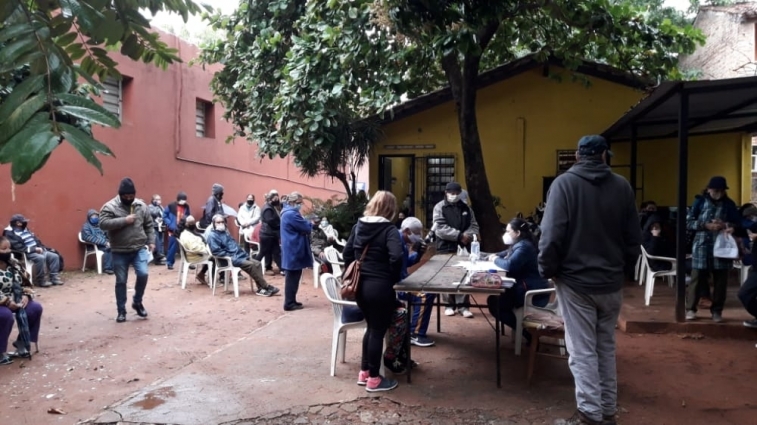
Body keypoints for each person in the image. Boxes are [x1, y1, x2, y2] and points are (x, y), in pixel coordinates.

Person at [538, 135, 640, 425]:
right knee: (605, 348)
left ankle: (590, 416)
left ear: (577, 155)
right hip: (611, 283)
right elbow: (634, 237)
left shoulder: (564, 185)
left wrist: (547, 269)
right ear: (605, 155)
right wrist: (624, 272)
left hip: (576, 283)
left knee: (582, 351)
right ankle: (607, 412)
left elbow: (551, 235)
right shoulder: (622, 186)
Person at [344, 190, 403, 392]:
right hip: (380, 286)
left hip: (360, 287)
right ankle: (375, 380)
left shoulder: (358, 226)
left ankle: (364, 372)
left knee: (371, 328)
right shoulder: (389, 230)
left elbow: (347, 253)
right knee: (377, 331)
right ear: (391, 209)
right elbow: (396, 257)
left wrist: (355, 271)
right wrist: (391, 277)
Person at [99, 177, 155, 323]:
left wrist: (151, 241)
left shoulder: (141, 206)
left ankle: (137, 302)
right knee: (121, 281)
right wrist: (124, 221)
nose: (129, 199)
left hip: (138, 248)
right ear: (121, 195)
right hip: (119, 250)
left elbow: (149, 225)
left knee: (143, 274)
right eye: (126, 196)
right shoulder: (110, 206)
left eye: (132, 196)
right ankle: (121, 311)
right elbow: (103, 223)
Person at [685, 176, 739, 322]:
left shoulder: (729, 204)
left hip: (722, 246)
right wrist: (705, 225)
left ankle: (717, 311)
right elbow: (688, 222)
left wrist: (725, 225)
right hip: (701, 245)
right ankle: (690, 309)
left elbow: (737, 223)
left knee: (721, 280)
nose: (718, 193)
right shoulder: (700, 202)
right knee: (697, 278)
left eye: (721, 191)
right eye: (715, 190)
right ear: (708, 189)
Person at [486, 218, 550, 338]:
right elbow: (506, 253)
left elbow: (510, 265)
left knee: (495, 303)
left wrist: (494, 259)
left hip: (531, 293)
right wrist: (491, 256)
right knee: (496, 299)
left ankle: (526, 333)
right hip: (525, 287)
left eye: (508, 231)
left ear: (517, 233)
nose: (506, 234)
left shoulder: (524, 247)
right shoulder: (520, 244)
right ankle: (523, 330)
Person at [433, 182, 479, 318]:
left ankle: (463, 306)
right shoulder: (439, 207)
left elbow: (474, 226)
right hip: (445, 247)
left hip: (464, 248)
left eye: (457, 193)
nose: (454, 195)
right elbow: (439, 228)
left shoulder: (466, 208)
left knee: (464, 276)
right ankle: (448, 305)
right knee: (446, 276)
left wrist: (467, 236)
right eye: (451, 193)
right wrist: (459, 236)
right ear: (446, 193)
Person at [207, 214, 280, 297]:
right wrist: (231, 256)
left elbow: (234, 245)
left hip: (239, 256)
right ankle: (266, 286)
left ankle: (261, 288)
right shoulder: (212, 236)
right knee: (251, 265)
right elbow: (216, 252)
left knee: (257, 263)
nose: (220, 224)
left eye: (222, 222)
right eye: (218, 222)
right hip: (228, 259)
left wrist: (241, 253)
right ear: (214, 224)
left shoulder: (225, 233)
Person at [0, 236, 43, 365]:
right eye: (4, 249)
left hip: (16, 299)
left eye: (9, 248)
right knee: (5, 316)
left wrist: (25, 295)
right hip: (2, 302)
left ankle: (21, 343)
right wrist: (7, 301)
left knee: (35, 308)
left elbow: (27, 283)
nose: (8, 251)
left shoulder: (14, 264)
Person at [3, 214, 64, 287]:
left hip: (37, 249)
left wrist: (41, 247)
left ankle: (54, 278)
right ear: (17, 223)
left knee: (54, 256)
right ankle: (41, 280)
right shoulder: (9, 233)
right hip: (26, 253)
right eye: (22, 221)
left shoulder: (25, 229)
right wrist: (34, 249)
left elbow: (35, 239)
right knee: (40, 258)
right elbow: (18, 247)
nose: (25, 222)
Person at [280, 192, 312, 311]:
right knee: (292, 277)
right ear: (292, 202)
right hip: (293, 248)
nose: (300, 205)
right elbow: (306, 228)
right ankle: (289, 303)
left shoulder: (288, 213)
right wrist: (309, 223)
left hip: (291, 247)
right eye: (299, 202)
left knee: (294, 276)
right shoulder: (291, 214)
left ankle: (292, 300)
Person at [256, 190, 283, 275]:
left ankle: (283, 269)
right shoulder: (268, 208)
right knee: (263, 252)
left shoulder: (271, 207)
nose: (277, 200)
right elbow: (270, 220)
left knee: (277, 252)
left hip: (272, 234)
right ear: (271, 199)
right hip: (267, 234)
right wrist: (279, 225)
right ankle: (252, 266)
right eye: (275, 198)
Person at [178, 216, 211, 286]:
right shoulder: (186, 235)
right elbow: (194, 248)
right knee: (215, 257)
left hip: (195, 254)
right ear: (186, 224)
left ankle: (202, 274)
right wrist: (207, 249)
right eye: (191, 223)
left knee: (214, 254)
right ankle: (211, 279)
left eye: (193, 222)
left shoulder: (188, 232)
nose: (193, 224)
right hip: (194, 256)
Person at [80, 209, 114, 274]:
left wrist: (111, 239)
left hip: (104, 244)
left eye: (96, 216)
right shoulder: (86, 227)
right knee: (108, 249)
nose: (95, 217)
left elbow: (106, 234)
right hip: (93, 246)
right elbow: (88, 238)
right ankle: (107, 268)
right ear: (89, 217)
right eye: (93, 216)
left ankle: (115, 267)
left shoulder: (100, 225)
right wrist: (105, 243)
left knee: (116, 247)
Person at [163, 191, 190, 270]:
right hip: (173, 230)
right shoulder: (171, 206)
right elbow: (164, 216)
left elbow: (188, 216)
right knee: (172, 247)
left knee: (186, 246)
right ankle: (169, 263)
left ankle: (188, 262)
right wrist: (170, 224)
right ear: (178, 199)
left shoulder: (186, 206)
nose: (183, 201)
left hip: (183, 229)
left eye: (184, 200)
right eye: (182, 200)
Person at [148, 194, 166, 265]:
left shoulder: (161, 207)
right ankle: (158, 256)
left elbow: (164, 214)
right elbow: (153, 213)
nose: (159, 201)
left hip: (161, 226)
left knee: (161, 241)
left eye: (159, 199)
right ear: (153, 200)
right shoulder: (150, 207)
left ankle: (161, 255)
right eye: (157, 199)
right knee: (157, 241)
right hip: (154, 226)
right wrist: (158, 207)